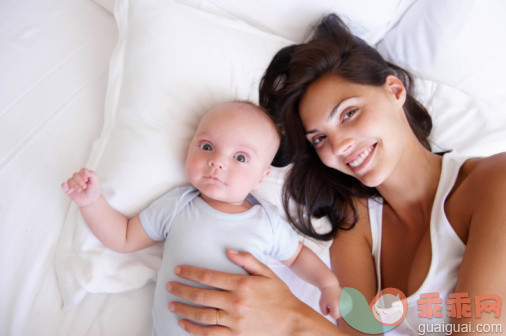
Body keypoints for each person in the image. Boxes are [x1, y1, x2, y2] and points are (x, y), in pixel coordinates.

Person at [165, 14, 506, 336]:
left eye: (349, 113)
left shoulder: (494, 181)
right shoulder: (356, 225)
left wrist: (291, 317)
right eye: (319, 139)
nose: (340, 146)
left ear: (395, 90)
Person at [61, 101, 340, 336]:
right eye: (207, 146)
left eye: (240, 157)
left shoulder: (266, 222)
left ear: (262, 177)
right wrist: (92, 202)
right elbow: (123, 237)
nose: (217, 161)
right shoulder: (177, 206)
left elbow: (297, 256)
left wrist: (327, 284)